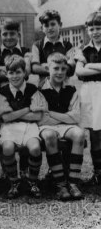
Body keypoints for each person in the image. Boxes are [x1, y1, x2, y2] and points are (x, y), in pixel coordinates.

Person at [0, 55, 46, 199]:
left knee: (35, 148)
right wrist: (27, 109)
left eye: (18, 72)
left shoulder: (32, 89)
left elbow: (37, 116)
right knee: (8, 148)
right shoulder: (3, 92)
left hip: (30, 126)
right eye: (11, 73)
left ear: (24, 73)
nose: (14, 76)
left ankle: (32, 182)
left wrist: (16, 113)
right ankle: (14, 182)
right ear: (7, 74)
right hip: (9, 127)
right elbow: (6, 118)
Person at [40, 52, 85, 200]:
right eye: (56, 68)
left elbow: (76, 116)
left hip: (65, 126)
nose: (60, 72)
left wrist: (52, 113)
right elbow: (42, 119)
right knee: (49, 135)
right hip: (47, 127)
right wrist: (66, 118)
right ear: (48, 68)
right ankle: (60, 185)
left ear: (67, 70)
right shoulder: (40, 90)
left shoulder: (71, 89)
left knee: (79, 134)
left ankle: (73, 183)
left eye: (63, 69)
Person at [75, 11, 101, 186]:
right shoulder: (84, 49)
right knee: (94, 133)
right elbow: (79, 72)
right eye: (92, 29)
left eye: (99, 28)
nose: (95, 32)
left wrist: (88, 64)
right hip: (88, 93)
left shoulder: (85, 56)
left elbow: (85, 68)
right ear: (87, 30)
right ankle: (97, 171)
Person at [31, 10, 75, 88]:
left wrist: (45, 66)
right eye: (46, 25)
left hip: (64, 87)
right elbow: (35, 68)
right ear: (42, 28)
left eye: (53, 24)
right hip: (44, 87)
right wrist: (61, 68)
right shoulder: (37, 45)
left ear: (60, 25)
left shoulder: (68, 45)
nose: (50, 28)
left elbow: (71, 68)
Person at [0, 18, 31, 86]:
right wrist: (19, 70)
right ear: (0, 35)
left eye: (12, 34)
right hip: (1, 92)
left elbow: (26, 72)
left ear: (18, 35)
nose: (8, 37)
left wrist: (1, 68)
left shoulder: (26, 52)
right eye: (5, 34)